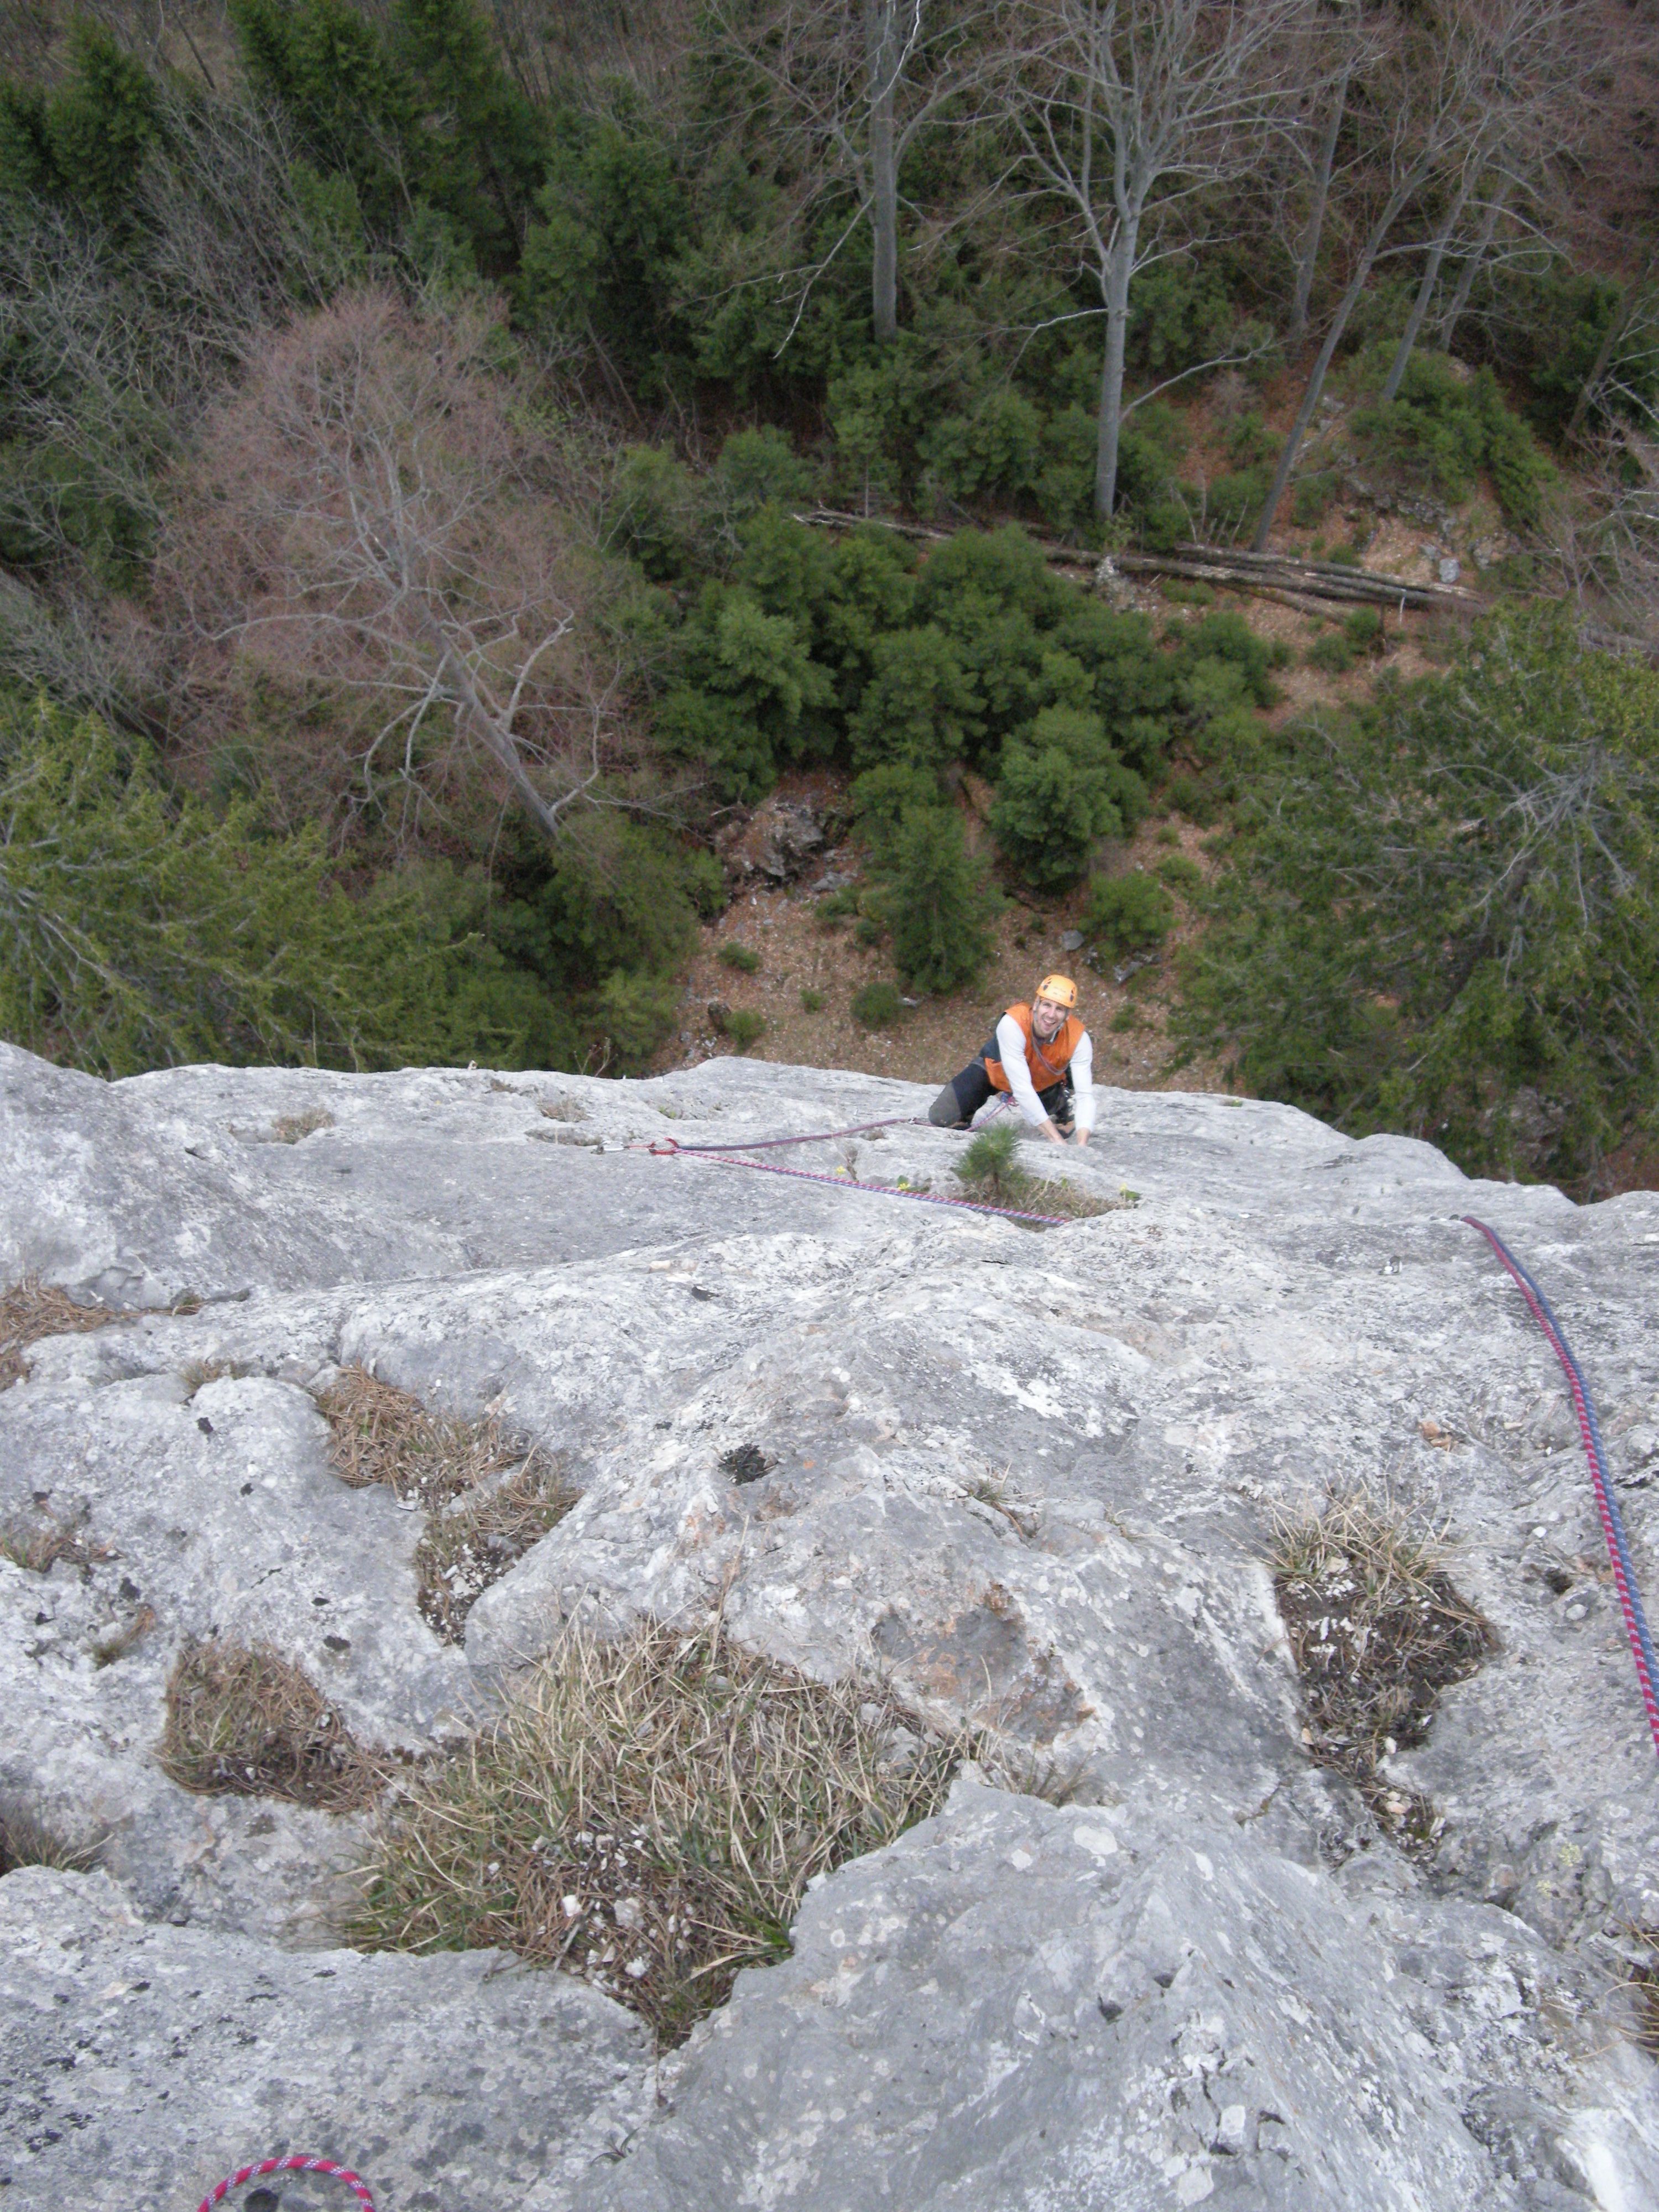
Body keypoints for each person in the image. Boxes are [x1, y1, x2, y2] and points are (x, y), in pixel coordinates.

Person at [927, 973, 1093, 1145]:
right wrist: (1057, 1140)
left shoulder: (1078, 1039)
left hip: (1043, 1081)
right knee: (940, 1116)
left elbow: (1085, 1095)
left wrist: (1082, 1146)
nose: (1051, 1015)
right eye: (1047, 1005)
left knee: (1052, 1089)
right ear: (1036, 1004)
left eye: (1059, 1009)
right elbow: (1022, 1089)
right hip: (996, 1071)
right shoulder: (1013, 1024)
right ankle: (965, 1112)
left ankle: (1063, 1107)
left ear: (1067, 1015)